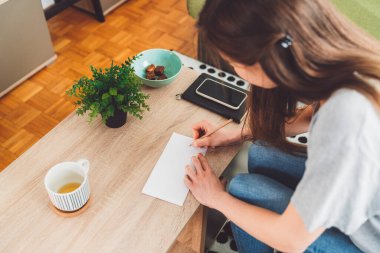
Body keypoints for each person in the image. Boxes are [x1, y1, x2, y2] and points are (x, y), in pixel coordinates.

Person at [183, 0, 380, 252]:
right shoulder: (346, 64)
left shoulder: (346, 123)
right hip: (363, 200)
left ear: (267, 60)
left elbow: (291, 240)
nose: (234, 69)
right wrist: (238, 134)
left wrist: (215, 198)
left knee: (242, 190)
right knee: (261, 151)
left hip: (366, 243)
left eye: (234, 63)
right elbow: (313, 114)